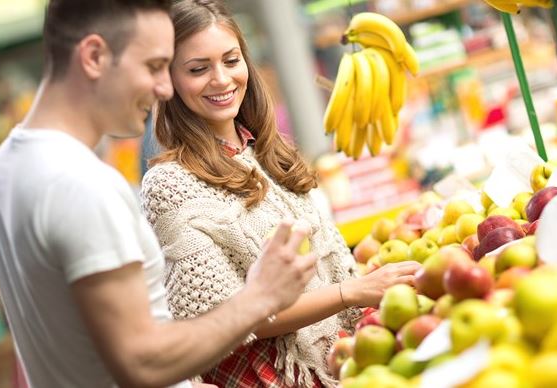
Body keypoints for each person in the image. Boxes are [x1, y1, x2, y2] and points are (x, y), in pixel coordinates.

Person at [0, 1, 317, 388]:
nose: (164, 88)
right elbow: (142, 362)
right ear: (93, 56)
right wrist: (259, 298)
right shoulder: (80, 184)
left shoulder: (7, 164)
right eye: (154, 66)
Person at [140, 0, 421, 386]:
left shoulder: (269, 153)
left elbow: (326, 269)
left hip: (343, 360)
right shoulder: (169, 184)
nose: (221, 79)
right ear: (168, 82)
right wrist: (351, 291)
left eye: (231, 60)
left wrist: (363, 288)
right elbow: (223, 320)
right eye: (198, 69)